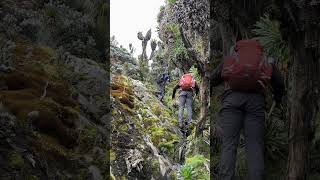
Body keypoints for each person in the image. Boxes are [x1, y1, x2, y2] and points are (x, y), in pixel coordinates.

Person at [210, 39, 285, 180]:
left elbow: (213, 79)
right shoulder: (264, 59)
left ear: (237, 48)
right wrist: (278, 99)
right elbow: (279, 82)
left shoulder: (232, 57)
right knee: (254, 145)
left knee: (229, 144)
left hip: (231, 101)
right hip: (255, 103)